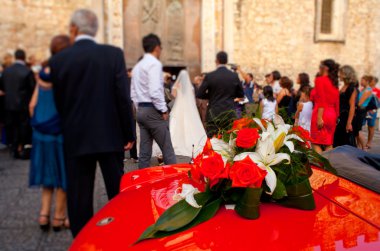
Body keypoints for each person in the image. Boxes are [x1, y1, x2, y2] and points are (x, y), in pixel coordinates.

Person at [49, 9, 135, 237]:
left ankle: (82, 240)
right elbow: (122, 98)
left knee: (79, 196)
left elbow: (60, 102)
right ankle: (121, 235)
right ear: (95, 30)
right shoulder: (113, 54)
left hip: (76, 136)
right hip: (110, 134)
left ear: (74, 29)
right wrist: (128, 133)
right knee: (117, 192)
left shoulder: (59, 60)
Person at [29, 35, 71, 232]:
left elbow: (32, 105)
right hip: (59, 134)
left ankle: (43, 215)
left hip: (40, 133)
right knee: (63, 175)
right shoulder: (64, 73)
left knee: (47, 176)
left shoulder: (42, 74)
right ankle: (58, 217)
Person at [131, 33, 176, 168]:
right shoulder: (154, 64)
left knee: (144, 152)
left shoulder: (138, 66)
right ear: (157, 48)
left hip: (141, 109)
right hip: (152, 110)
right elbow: (155, 90)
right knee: (167, 149)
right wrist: (163, 109)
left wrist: (139, 107)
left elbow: (132, 92)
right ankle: (174, 183)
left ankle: (142, 183)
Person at [196, 51, 244, 137]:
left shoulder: (210, 76)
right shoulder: (233, 76)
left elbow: (199, 94)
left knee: (213, 140)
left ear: (216, 60)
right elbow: (241, 94)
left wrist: (211, 96)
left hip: (213, 112)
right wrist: (230, 95)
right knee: (228, 140)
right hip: (229, 112)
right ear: (226, 61)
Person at [0, 49, 35, 158]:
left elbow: (2, 88)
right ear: (24, 57)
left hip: (8, 104)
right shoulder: (27, 71)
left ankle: (13, 147)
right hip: (23, 105)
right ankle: (22, 147)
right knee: (23, 126)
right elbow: (33, 88)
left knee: (12, 126)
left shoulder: (6, 71)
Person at [170, 70, 207, 156]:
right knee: (190, 123)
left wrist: (176, 89)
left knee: (177, 124)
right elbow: (192, 100)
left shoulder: (176, 86)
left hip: (178, 106)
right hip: (188, 108)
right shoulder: (191, 87)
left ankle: (176, 142)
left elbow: (173, 96)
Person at [310, 59, 340, 153]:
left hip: (321, 112)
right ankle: (329, 165)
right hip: (332, 114)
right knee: (328, 143)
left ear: (325, 68)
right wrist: (336, 116)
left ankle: (322, 166)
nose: (319, 68)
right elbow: (337, 102)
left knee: (315, 142)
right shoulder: (334, 82)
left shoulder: (319, 80)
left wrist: (319, 117)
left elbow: (321, 100)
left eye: (320, 66)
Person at [333, 65, 358, 147]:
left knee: (346, 141)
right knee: (338, 139)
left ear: (345, 74)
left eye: (340, 73)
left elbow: (352, 106)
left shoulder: (351, 87)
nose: (339, 75)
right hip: (341, 116)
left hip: (346, 117)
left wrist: (349, 123)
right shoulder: (344, 86)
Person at [356, 75, 374, 149]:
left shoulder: (367, 90)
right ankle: (359, 147)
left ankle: (364, 147)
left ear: (367, 81)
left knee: (357, 130)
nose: (361, 82)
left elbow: (360, 102)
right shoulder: (363, 89)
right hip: (359, 110)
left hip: (361, 110)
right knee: (356, 130)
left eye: (362, 80)